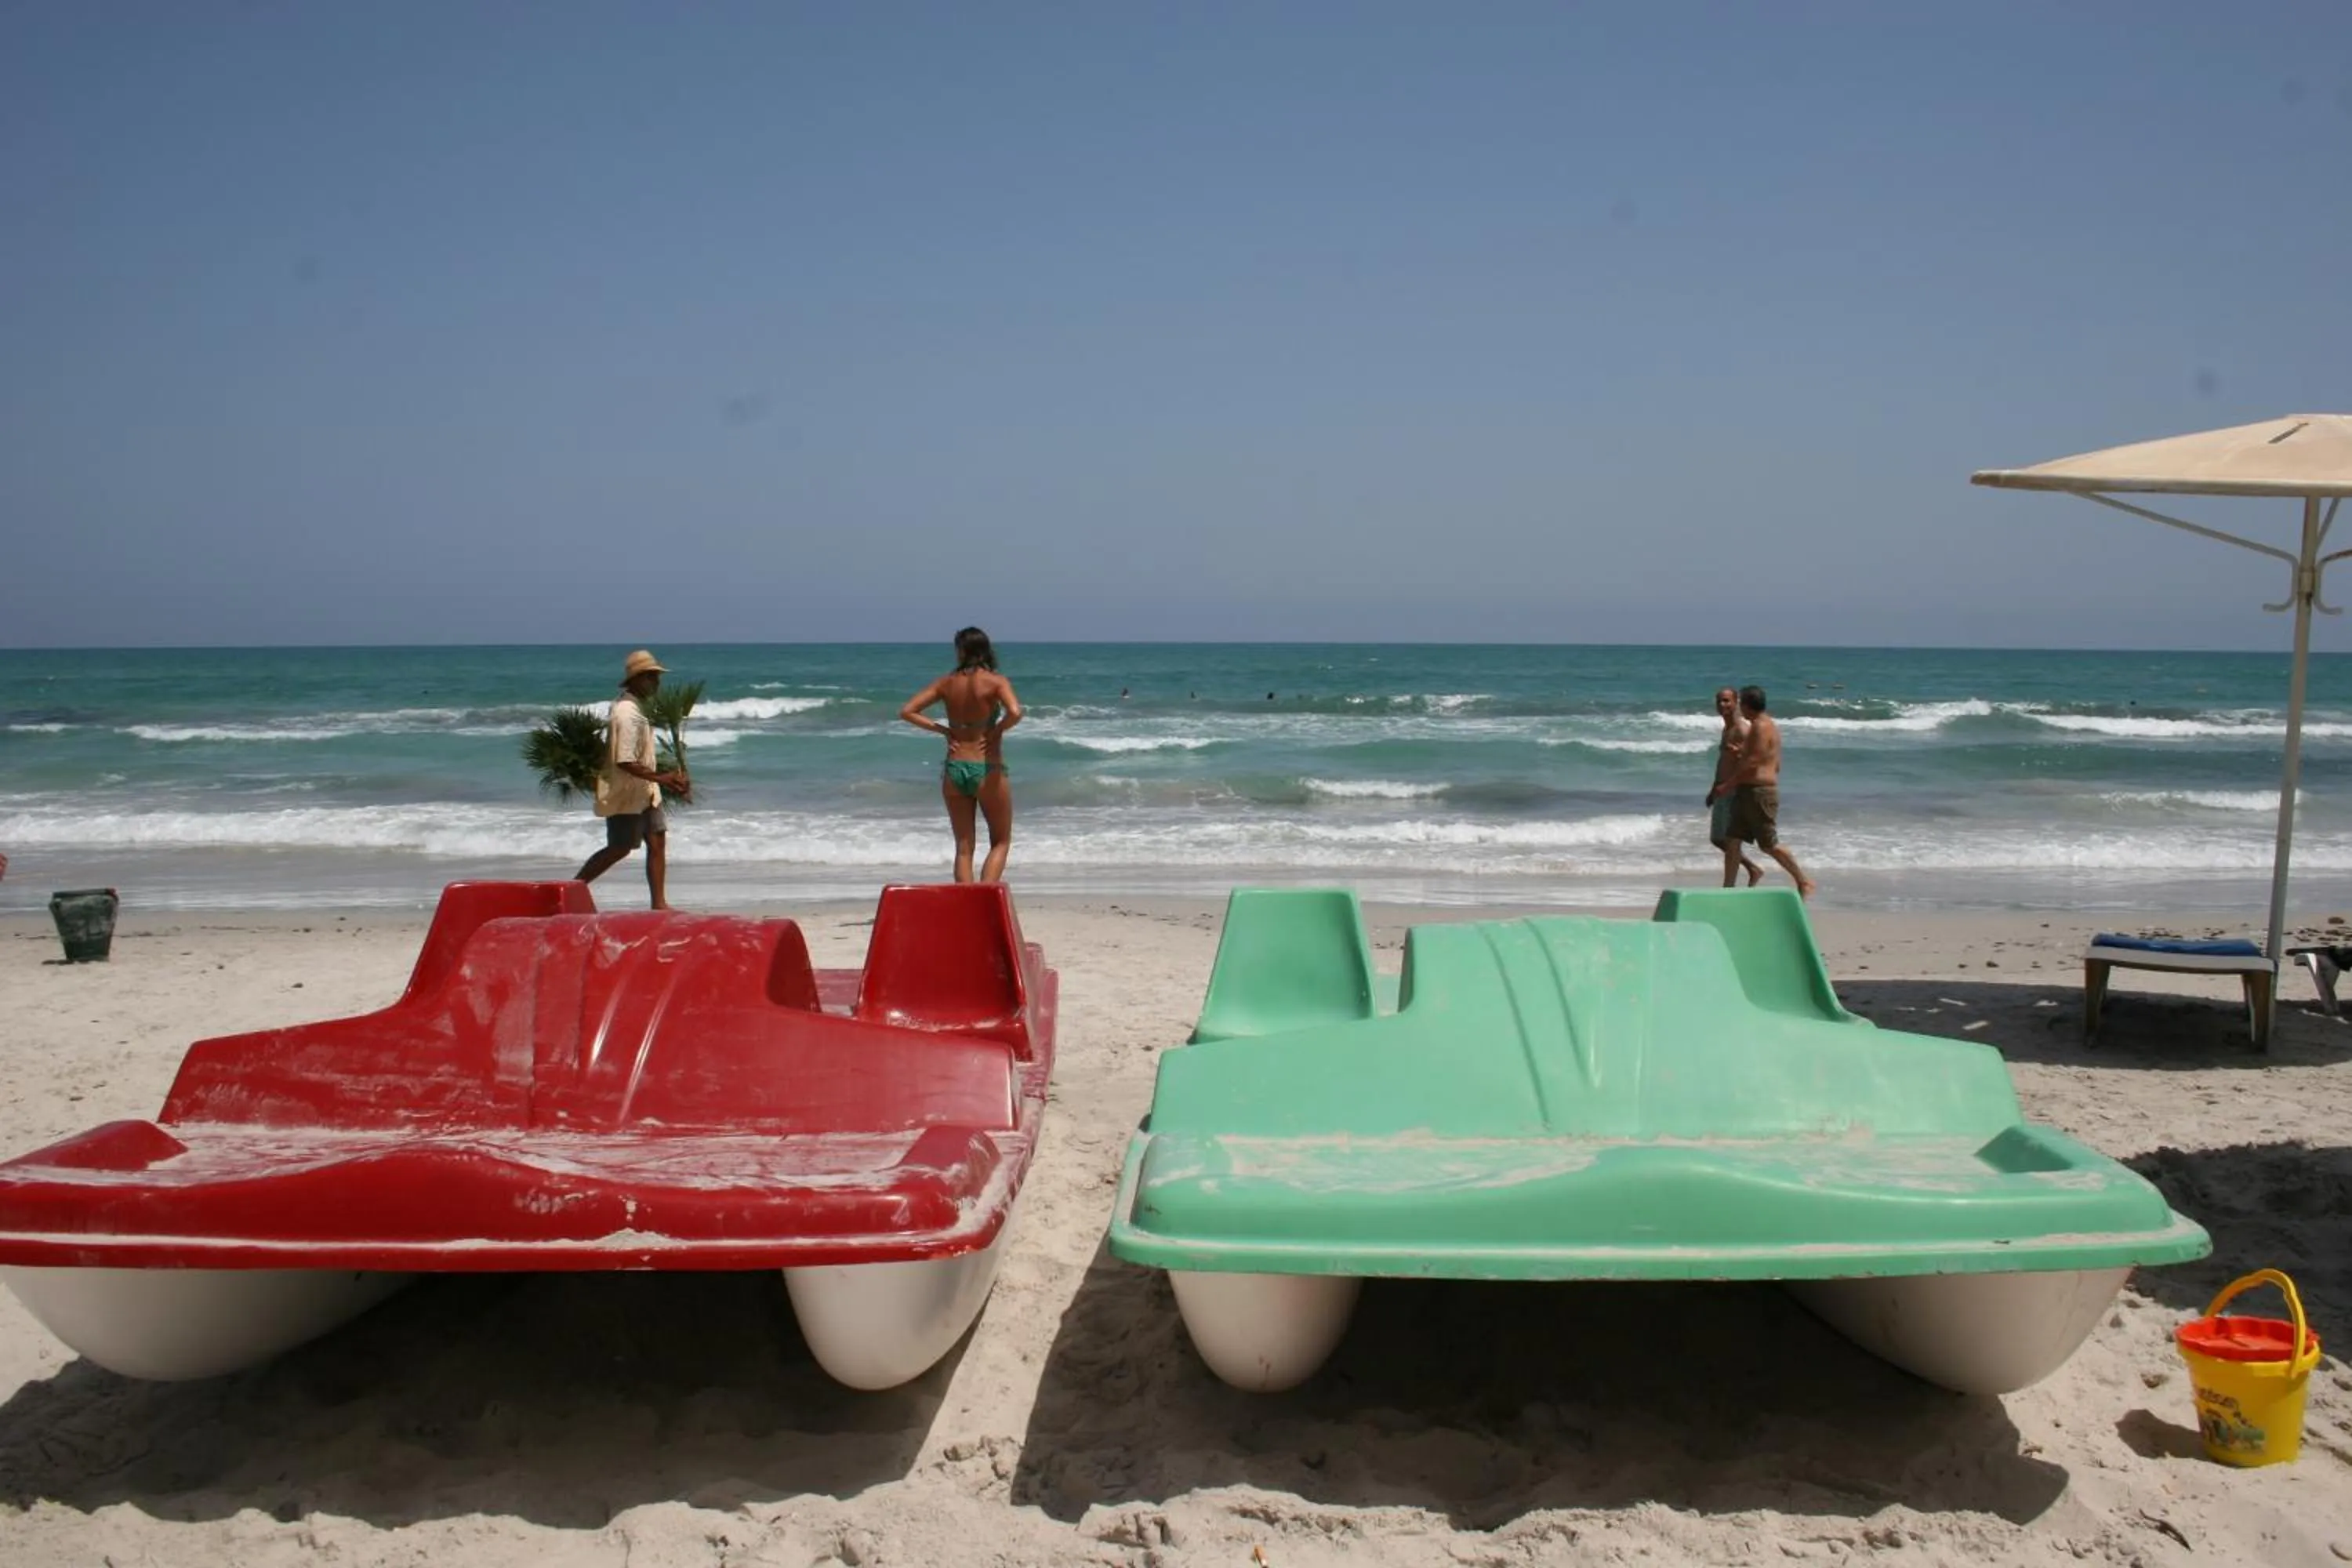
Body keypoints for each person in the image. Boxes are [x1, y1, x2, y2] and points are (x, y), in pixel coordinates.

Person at [900, 627, 1023, 882]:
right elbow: (1015, 712)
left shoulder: (946, 683)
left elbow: (908, 711)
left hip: (954, 769)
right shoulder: (996, 681)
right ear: (985, 650)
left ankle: (965, 907)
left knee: (964, 848)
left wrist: (945, 730)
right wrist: (998, 730)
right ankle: (984, 900)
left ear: (962, 651)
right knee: (1000, 841)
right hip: (987, 767)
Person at [573, 648, 691, 909]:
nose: (656, 683)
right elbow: (624, 761)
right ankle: (571, 889)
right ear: (636, 679)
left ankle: (659, 904)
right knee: (620, 847)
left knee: (657, 840)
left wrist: (665, 780)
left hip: (646, 790)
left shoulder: (639, 709)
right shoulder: (626, 713)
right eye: (651, 677)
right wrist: (663, 778)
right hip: (628, 791)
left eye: (656, 678)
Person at [1723, 684, 1816, 898]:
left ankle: (1803, 881)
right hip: (1748, 790)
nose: (1739, 709)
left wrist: (1727, 785)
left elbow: (1754, 762)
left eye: (1740, 705)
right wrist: (1740, 753)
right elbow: (1770, 761)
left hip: (1760, 793)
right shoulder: (1763, 726)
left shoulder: (1761, 726)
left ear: (1746, 706)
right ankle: (1728, 888)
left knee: (1769, 844)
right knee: (1733, 839)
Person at [1704, 687, 1766, 887]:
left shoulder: (1742, 728)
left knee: (1732, 842)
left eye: (1727, 701)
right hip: (1722, 790)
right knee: (1718, 839)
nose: (1722, 705)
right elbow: (1723, 762)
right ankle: (1753, 869)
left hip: (1736, 792)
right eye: (1719, 701)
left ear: (1736, 702)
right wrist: (1714, 788)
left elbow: (1757, 760)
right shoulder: (1727, 728)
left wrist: (1740, 753)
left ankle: (1728, 888)